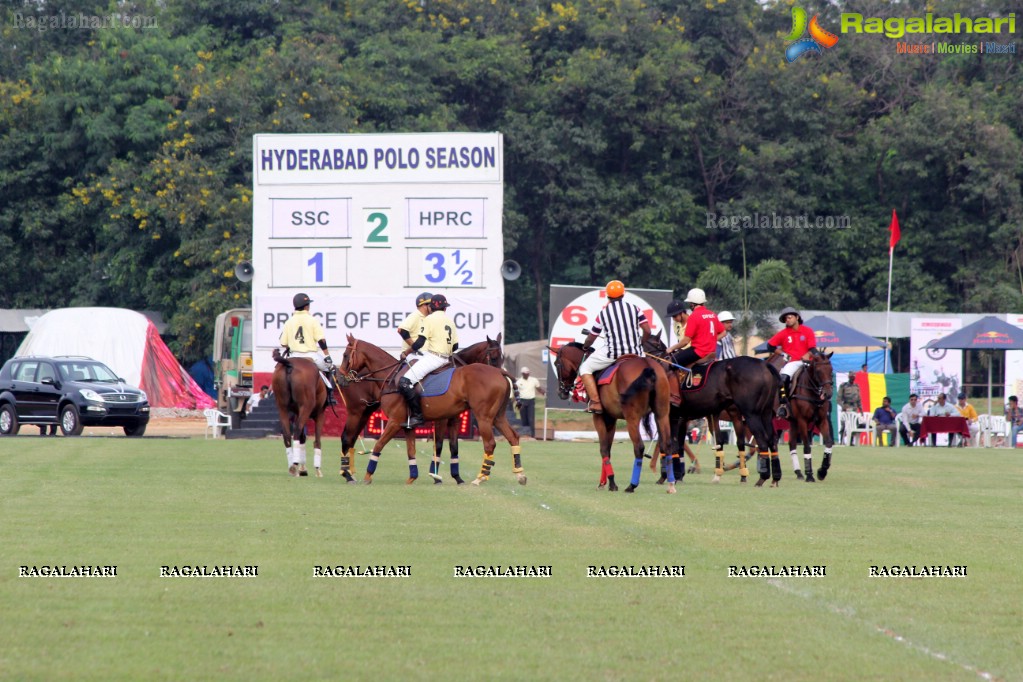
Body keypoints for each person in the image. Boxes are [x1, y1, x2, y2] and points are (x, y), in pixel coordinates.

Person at [578, 280, 650, 414]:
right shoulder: (635, 308)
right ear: (623, 294)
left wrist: (586, 346)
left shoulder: (603, 314)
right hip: (637, 353)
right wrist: (640, 344)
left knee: (585, 368)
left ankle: (596, 402)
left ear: (608, 296)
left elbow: (592, 336)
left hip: (613, 353)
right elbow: (647, 331)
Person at [399, 294, 459, 427]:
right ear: (445, 308)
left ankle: (417, 417)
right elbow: (456, 346)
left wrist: (406, 352)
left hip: (434, 358)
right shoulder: (450, 321)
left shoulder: (429, 319)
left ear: (431, 307)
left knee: (404, 382)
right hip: (447, 360)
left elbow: (419, 343)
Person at [278, 292, 337, 407]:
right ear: (306, 306)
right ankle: (329, 397)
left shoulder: (289, 321)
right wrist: (327, 356)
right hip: (311, 356)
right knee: (331, 369)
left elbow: (283, 343)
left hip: (293, 356)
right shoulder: (312, 320)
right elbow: (321, 340)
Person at [765, 307, 817, 419]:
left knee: (822, 375)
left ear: (797, 317)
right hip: (793, 362)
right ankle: (783, 405)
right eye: (785, 318)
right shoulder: (783, 333)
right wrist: (783, 354)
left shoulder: (808, 331)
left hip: (807, 362)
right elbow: (770, 346)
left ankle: (822, 400)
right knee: (782, 378)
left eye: (790, 317)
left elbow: (813, 349)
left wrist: (808, 354)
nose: (787, 320)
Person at [667, 288, 721, 377]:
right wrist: (711, 340)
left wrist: (672, 348)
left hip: (698, 351)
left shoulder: (694, 316)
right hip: (711, 350)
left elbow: (685, 341)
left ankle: (677, 388)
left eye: (690, 304)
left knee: (672, 362)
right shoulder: (712, 314)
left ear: (692, 304)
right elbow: (723, 332)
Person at [515, 367, 545, 438]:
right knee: (524, 419)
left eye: (528, 373)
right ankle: (525, 435)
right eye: (525, 373)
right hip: (522, 401)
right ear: (522, 374)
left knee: (531, 419)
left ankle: (532, 435)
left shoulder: (533, 380)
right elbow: (516, 392)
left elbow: (539, 388)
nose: (527, 375)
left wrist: (543, 392)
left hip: (531, 401)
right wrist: (516, 401)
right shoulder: (519, 382)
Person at [837, 373, 862, 445]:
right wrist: (843, 406)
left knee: (855, 425)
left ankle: (851, 441)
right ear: (848, 377)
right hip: (846, 407)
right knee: (844, 424)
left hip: (854, 407)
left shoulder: (856, 386)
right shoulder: (843, 386)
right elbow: (838, 399)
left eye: (853, 377)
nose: (852, 378)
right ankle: (842, 441)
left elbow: (859, 399)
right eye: (851, 377)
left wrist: (861, 409)